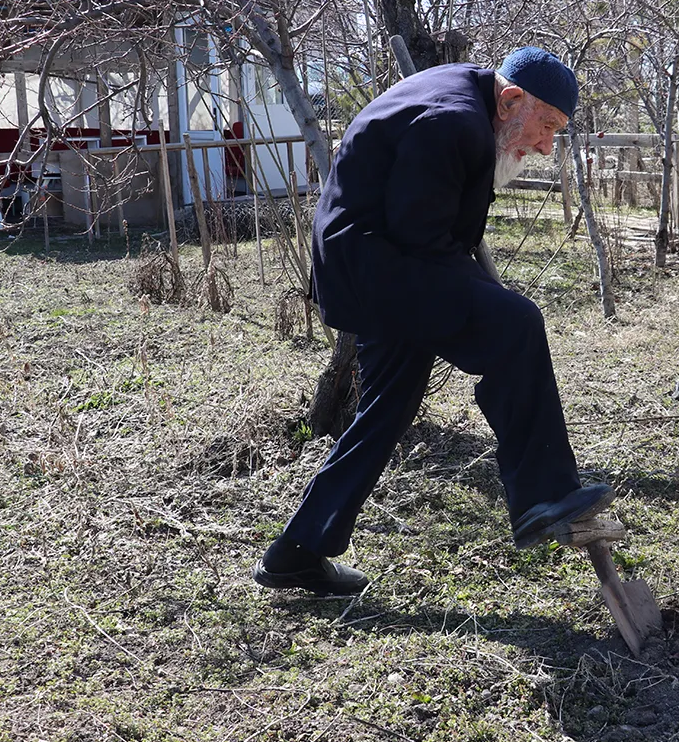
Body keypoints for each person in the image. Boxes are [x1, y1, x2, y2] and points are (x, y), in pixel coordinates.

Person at [253, 47, 613, 596]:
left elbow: (435, 226)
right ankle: (545, 495)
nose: (545, 146)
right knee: (517, 326)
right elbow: (420, 236)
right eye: (546, 126)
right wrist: (489, 301)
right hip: (378, 264)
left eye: (555, 132)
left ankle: (295, 553)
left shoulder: (474, 102)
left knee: (387, 409)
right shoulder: (452, 121)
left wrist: (480, 291)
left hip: (378, 261)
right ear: (512, 99)